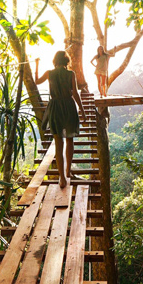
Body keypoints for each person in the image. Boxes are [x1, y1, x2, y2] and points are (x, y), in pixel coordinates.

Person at [35, 51, 86, 188]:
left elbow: (36, 81)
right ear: (66, 61)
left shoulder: (49, 73)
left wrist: (36, 65)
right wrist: (82, 109)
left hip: (55, 107)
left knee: (58, 142)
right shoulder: (71, 74)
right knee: (70, 139)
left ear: (55, 60)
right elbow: (75, 93)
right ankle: (68, 171)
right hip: (69, 106)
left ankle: (62, 178)